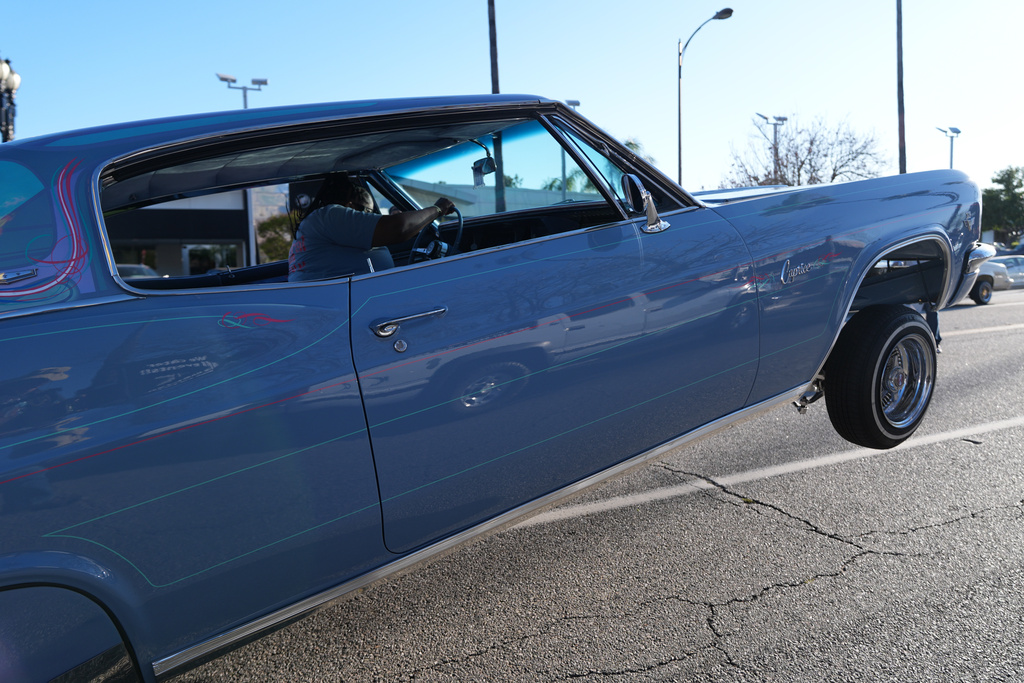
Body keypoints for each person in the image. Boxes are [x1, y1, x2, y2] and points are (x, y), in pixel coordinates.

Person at [288, 176, 455, 281]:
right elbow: (399, 228)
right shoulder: (331, 215)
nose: (370, 216)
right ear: (350, 206)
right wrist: (438, 209)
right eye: (368, 212)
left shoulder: (318, 222)